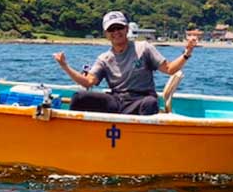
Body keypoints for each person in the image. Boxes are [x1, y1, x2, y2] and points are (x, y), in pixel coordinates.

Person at [53, 11, 198, 115]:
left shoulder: (144, 48)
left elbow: (169, 69)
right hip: (117, 100)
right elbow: (88, 82)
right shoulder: (104, 58)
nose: (116, 32)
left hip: (141, 99)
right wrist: (65, 66)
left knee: (150, 103)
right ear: (106, 34)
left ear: (127, 29)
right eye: (111, 29)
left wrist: (187, 53)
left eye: (119, 27)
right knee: (79, 98)